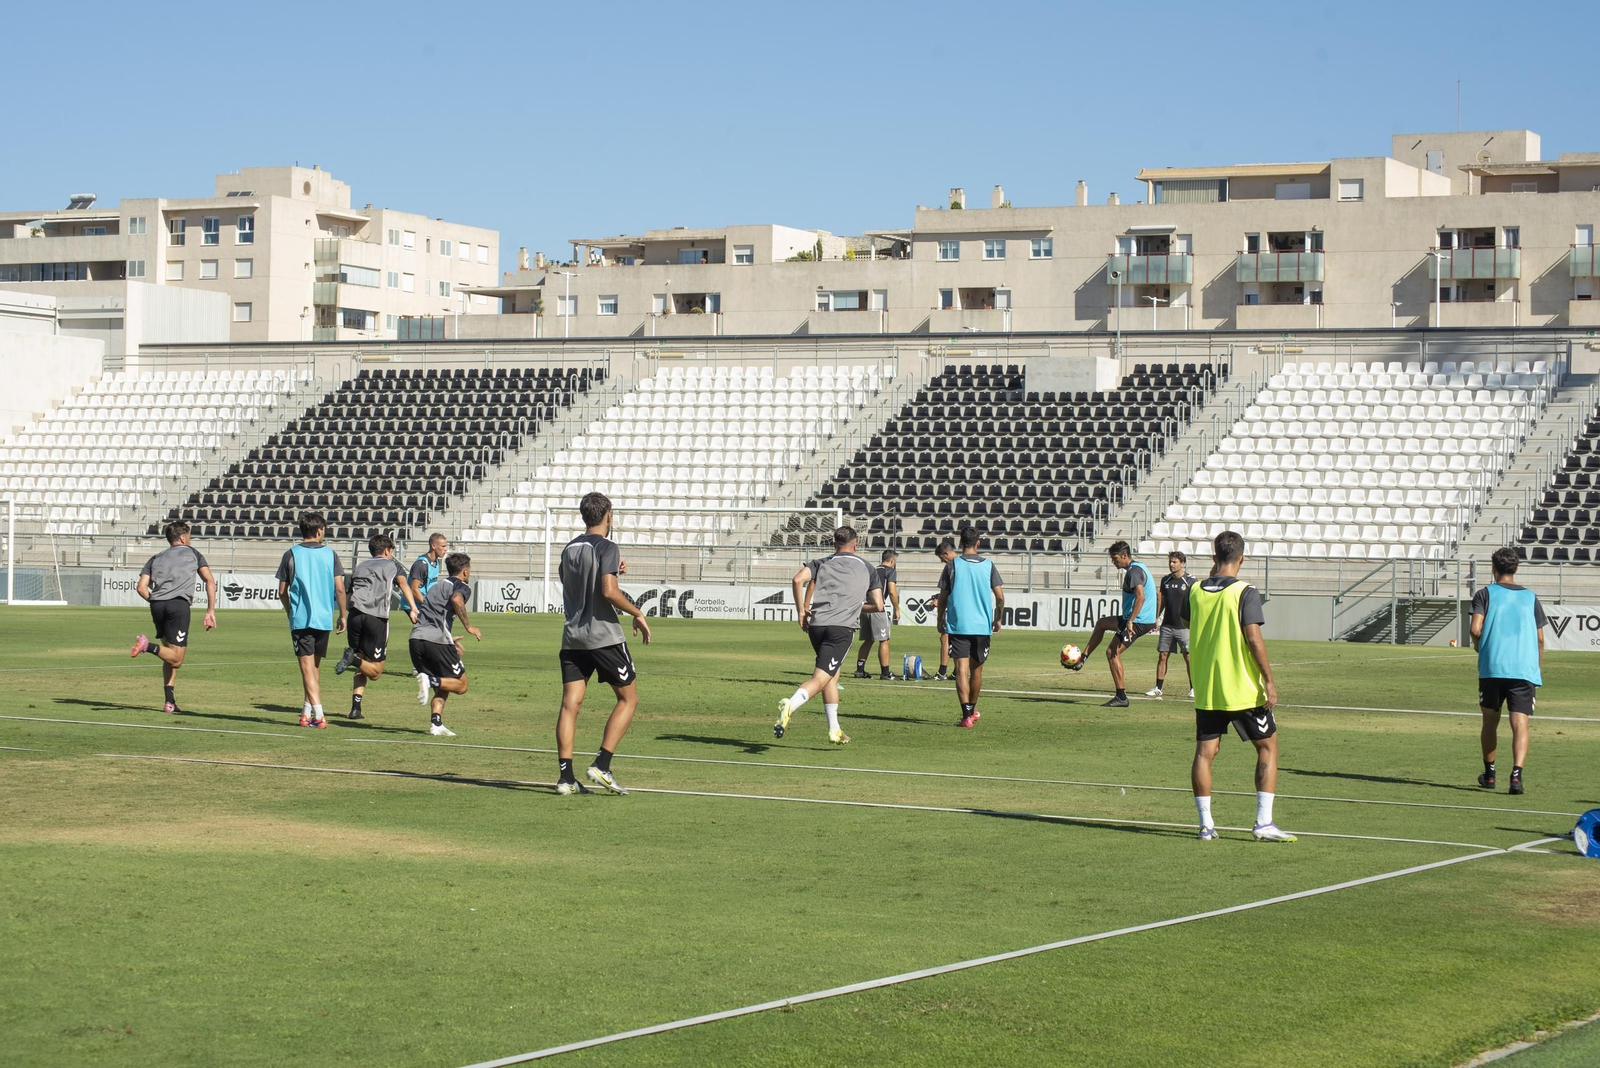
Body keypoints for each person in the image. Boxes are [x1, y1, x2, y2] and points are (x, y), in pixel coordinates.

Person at [1184, 530, 1293, 842]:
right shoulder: (1246, 591)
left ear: (1214, 557)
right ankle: (1263, 822)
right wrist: (1270, 681)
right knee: (1268, 746)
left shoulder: (1195, 591)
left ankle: (1205, 826)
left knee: (1205, 752)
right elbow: (1253, 638)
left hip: (1208, 687)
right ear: (1241, 558)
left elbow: (1191, 622)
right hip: (1242, 686)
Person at [556, 492, 652, 795]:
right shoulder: (607, 546)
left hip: (572, 637)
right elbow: (609, 592)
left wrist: (608, 570)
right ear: (607, 514)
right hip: (604, 636)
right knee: (629, 699)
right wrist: (637, 612)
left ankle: (566, 778)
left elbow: (569, 580)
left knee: (570, 705)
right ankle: (602, 763)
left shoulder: (569, 548)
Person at [776, 525, 883, 744]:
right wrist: (855, 606)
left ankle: (835, 729)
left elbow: (797, 580)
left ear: (834, 545)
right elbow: (878, 605)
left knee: (831, 675)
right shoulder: (868, 567)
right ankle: (791, 704)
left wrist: (801, 611)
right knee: (820, 677)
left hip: (816, 627)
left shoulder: (822, 562)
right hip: (840, 630)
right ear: (855, 545)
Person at [1470, 547, 1547, 796]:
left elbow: (1474, 629)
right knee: (1520, 723)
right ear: (1516, 568)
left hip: (1493, 667)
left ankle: (1490, 775)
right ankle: (1516, 777)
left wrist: (1478, 646)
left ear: (1494, 568)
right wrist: (1536, 669)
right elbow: (1540, 639)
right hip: (1523, 668)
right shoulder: (1530, 597)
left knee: (1490, 721)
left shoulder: (1485, 593)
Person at [129, 520, 218, 714]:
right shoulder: (193, 553)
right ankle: (147, 646)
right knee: (177, 659)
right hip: (178, 605)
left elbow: (141, 588)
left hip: (157, 605)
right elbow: (210, 581)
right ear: (183, 538)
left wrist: (155, 600)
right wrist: (210, 610)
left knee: (168, 654)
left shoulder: (156, 557)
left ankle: (169, 702)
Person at [334, 533, 421, 720]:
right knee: (375, 672)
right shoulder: (393, 565)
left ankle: (355, 708)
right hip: (376, 618)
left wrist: (343, 616)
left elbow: (349, 593)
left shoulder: (361, 566)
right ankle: (351, 660)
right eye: (392, 551)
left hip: (355, 616)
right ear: (387, 550)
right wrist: (413, 608)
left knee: (363, 662)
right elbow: (404, 584)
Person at [275, 511, 346, 728]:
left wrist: (290, 611)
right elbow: (340, 589)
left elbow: (281, 591)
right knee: (314, 669)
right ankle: (306, 714)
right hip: (324, 618)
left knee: (307, 670)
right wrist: (343, 615)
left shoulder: (291, 554)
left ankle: (319, 715)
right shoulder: (331, 554)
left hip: (302, 619)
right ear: (318, 530)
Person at [1067, 540, 1157, 708]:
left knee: (1112, 652)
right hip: (1139, 618)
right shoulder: (1138, 567)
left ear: (1124, 556)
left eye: (1115, 558)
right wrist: (1154, 617)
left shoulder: (1134, 571)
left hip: (1137, 621)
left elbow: (1141, 597)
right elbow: (1156, 593)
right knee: (1101, 623)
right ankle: (1083, 658)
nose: (1113, 562)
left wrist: (1131, 621)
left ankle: (1121, 697)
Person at [409, 552, 482, 737]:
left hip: (416, 639)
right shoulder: (461, 586)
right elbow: (457, 600)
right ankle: (429, 680)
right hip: (436, 640)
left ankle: (436, 724)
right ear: (465, 571)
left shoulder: (436, 586)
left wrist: (449, 638)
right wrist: (468, 626)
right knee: (461, 685)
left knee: (445, 684)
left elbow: (432, 615)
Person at [938, 525, 1004, 729]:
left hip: (958, 626)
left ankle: (967, 714)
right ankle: (972, 710)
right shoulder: (989, 565)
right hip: (981, 627)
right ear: (978, 543)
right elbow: (1000, 597)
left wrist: (940, 618)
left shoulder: (952, 566)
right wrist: (998, 619)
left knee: (960, 671)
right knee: (976, 672)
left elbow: (943, 597)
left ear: (960, 542)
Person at [1147, 551, 1196, 699]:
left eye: (1174, 562)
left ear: (1183, 563)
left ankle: (1194, 687)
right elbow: (1161, 600)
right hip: (1167, 625)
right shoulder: (1165, 580)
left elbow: (1195, 602)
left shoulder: (1191, 581)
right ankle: (1158, 687)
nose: (1171, 564)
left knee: (1188, 657)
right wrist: (1156, 618)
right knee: (1163, 655)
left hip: (1184, 626)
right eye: (1170, 562)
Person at [854, 549, 902, 680]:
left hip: (865, 608)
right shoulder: (890, 571)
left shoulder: (872, 570)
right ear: (892, 560)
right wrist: (896, 609)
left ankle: (859, 670)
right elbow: (892, 591)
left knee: (868, 640)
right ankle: (885, 673)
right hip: (877, 608)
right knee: (884, 640)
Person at [930, 539, 957, 680]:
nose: (942, 561)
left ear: (946, 553)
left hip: (953, 609)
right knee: (960, 639)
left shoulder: (951, 567)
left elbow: (947, 592)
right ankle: (958, 671)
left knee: (944, 637)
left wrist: (939, 602)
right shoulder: (967, 563)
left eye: (941, 558)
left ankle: (942, 672)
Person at [408, 532, 450, 605]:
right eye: (443, 546)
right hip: (415, 604)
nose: (446, 549)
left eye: (446, 546)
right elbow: (414, 589)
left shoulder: (436, 562)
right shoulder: (421, 564)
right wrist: (427, 605)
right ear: (433, 546)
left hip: (425, 601)